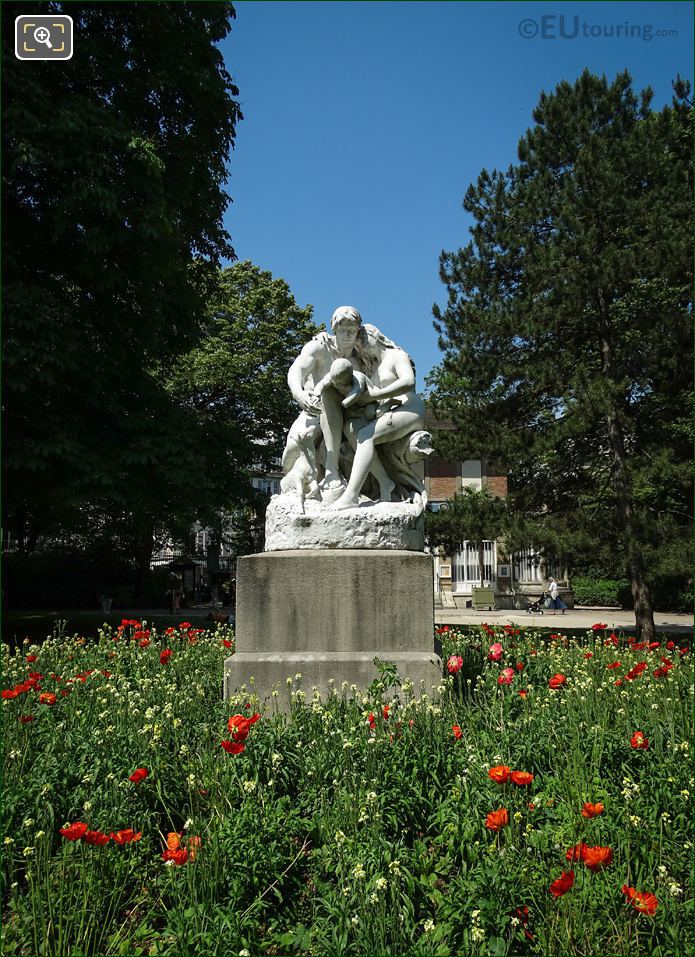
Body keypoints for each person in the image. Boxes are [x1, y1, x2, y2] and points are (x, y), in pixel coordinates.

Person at [330, 324, 425, 510]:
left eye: (364, 339)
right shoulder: (373, 369)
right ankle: (385, 482)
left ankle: (351, 495)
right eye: (358, 344)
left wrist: (376, 397)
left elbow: (408, 381)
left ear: (377, 336)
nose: (362, 345)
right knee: (350, 429)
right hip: (389, 411)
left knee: (366, 435)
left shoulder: (397, 356)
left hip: (410, 407)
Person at [285, 306, 365, 490]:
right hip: (313, 409)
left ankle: (332, 469)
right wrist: (300, 394)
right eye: (342, 330)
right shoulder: (320, 346)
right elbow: (296, 369)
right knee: (291, 451)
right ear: (334, 329)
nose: (347, 335)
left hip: (348, 412)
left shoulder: (361, 358)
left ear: (358, 332)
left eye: (352, 331)